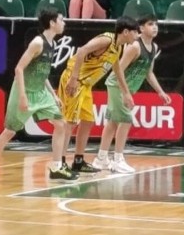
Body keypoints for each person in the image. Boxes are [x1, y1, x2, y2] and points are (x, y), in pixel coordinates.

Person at [0, 9, 77, 184]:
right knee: (10, 131)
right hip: (24, 91)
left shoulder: (53, 44)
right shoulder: (38, 42)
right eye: (62, 20)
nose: (64, 23)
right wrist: (23, 96)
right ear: (52, 23)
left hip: (40, 92)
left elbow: (43, 73)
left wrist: (53, 94)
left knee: (60, 124)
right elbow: (19, 69)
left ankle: (56, 168)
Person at [57, 16, 140, 173]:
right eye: (136, 33)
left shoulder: (118, 48)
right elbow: (81, 51)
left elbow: (118, 71)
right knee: (70, 122)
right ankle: (59, 164)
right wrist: (74, 78)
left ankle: (78, 161)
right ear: (126, 31)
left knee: (88, 121)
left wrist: (126, 92)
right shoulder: (107, 40)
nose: (137, 37)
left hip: (86, 85)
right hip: (74, 80)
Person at [91, 14, 171, 173]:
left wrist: (160, 92)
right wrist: (125, 92)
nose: (154, 27)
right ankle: (118, 159)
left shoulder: (153, 47)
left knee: (113, 123)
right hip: (117, 85)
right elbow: (118, 68)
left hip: (125, 88)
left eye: (156, 24)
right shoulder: (134, 46)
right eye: (150, 24)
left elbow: (149, 73)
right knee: (126, 120)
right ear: (141, 28)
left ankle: (101, 158)